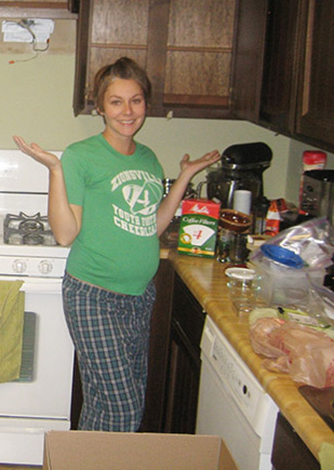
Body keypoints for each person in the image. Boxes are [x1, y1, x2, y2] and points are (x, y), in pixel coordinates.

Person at [13, 57, 220, 432]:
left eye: (136, 100)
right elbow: (65, 234)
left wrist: (185, 175)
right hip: (93, 295)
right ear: (100, 106)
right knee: (123, 407)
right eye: (116, 101)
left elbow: (152, 225)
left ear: (146, 104)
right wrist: (56, 171)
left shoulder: (148, 159)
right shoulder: (81, 156)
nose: (128, 111)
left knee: (106, 400)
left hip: (139, 297)